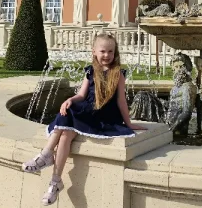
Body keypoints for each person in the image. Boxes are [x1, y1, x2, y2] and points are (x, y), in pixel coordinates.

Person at [21, 33, 147, 205]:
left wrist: (129, 122)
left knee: (69, 116)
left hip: (104, 116)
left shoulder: (118, 74)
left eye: (110, 51)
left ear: (115, 52)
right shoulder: (90, 71)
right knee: (65, 131)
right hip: (87, 112)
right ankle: (55, 181)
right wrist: (70, 99)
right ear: (94, 51)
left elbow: (121, 100)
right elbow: (81, 95)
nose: (107, 55)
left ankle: (46, 155)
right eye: (103, 51)